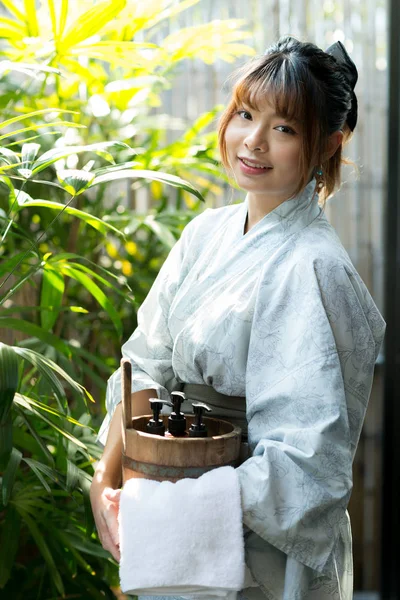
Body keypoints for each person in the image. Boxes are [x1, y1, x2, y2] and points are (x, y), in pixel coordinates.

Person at [90, 36, 386, 600]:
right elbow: (144, 361)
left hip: (253, 547)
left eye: (285, 128)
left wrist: (172, 504)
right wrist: (106, 480)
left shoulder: (316, 267)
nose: (253, 140)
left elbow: (307, 463)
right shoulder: (205, 234)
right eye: (246, 114)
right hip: (163, 498)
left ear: (329, 143)